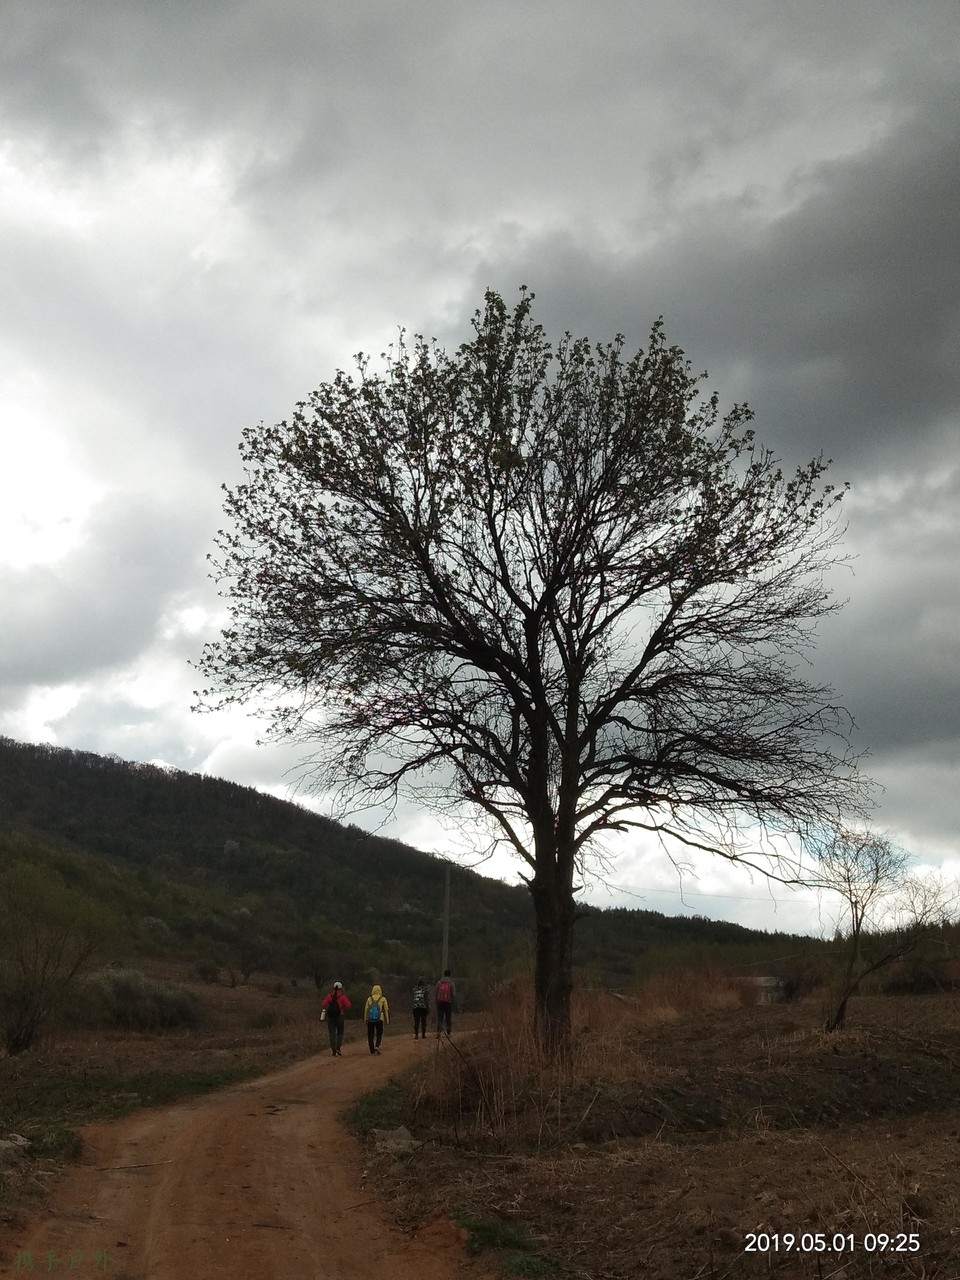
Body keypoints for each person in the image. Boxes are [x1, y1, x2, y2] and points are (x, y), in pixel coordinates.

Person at [320, 981, 350, 1056]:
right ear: (341, 988)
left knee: (332, 1033)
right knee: (340, 1032)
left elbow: (323, 1004)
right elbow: (348, 1005)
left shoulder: (329, 996)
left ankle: (333, 1050)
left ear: (333, 988)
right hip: (340, 1016)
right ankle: (338, 1048)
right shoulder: (342, 997)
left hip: (330, 1017)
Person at [363, 983, 389, 1054]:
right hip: (380, 1019)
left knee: (370, 1034)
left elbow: (366, 1010)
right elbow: (386, 1009)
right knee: (379, 1033)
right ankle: (377, 1046)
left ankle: (372, 1050)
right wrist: (387, 1019)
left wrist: (365, 1020)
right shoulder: (383, 999)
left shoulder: (369, 999)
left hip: (370, 1019)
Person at [435, 969, 456, 1037]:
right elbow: (453, 994)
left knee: (440, 1017)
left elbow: (436, 992)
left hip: (440, 1001)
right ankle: (448, 1032)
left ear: (444, 975)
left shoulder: (439, 982)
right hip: (448, 1002)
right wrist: (453, 1001)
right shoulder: (451, 983)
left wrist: (436, 1001)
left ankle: (438, 1032)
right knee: (448, 1017)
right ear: (450, 975)